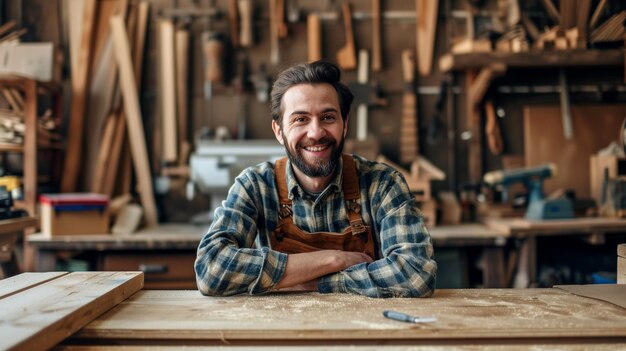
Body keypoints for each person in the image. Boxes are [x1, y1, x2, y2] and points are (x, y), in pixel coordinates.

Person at [195, 60, 436, 298]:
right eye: (300, 119)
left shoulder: (383, 183)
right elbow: (211, 269)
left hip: (367, 333)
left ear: (345, 125)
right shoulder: (255, 186)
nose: (316, 132)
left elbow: (416, 273)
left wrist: (314, 281)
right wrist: (332, 260)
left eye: (328, 117)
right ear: (279, 131)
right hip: (281, 332)